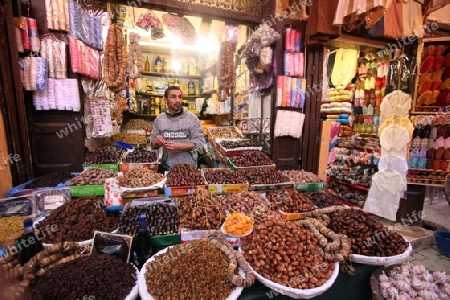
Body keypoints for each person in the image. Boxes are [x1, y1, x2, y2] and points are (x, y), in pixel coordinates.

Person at [149, 86, 205, 172]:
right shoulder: (159, 119)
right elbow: (152, 143)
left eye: (180, 97)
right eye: (173, 97)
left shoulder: (192, 118)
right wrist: (155, 142)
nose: (178, 100)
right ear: (165, 100)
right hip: (167, 168)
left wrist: (181, 147)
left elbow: (200, 143)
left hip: (189, 169)